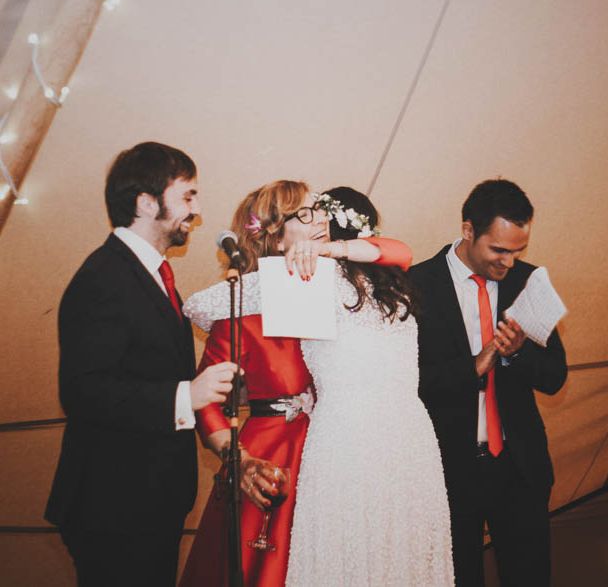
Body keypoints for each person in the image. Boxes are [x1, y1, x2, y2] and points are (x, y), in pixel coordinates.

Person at [179, 180, 412, 587]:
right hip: (273, 457)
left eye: (318, 208)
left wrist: (329, 250)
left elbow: (400, 253)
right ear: (272, 231)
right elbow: (207, 402)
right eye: (304, 214)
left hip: (342, 455)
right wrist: (241, 460)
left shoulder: (343, 287)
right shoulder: (240, 310)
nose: (320, 218)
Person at [45, 142, 238, 587]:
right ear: (146, 202)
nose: (197, 209)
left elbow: (141, 370)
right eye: (187, 195)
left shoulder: (149, 273)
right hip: (113, 506)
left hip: (146, 502)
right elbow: (83, 390)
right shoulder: (104, 276)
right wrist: (186, 394)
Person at [285, 187, 454, 586]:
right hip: (381, 430)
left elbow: (400, 250)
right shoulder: (384, 287)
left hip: (376, 434)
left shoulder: (379, 284)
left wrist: (331, 251)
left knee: (376, 544)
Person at [409, 179, 567, 587]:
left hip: (520, 467)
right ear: (467, 231)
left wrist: (517, 353)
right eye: (498, 250)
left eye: (518, 251)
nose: (509, 263)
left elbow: (555, 377)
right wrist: (474, 366)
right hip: (449, 469)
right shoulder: (415, 286)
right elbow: (409, 385)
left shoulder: (528, 282)